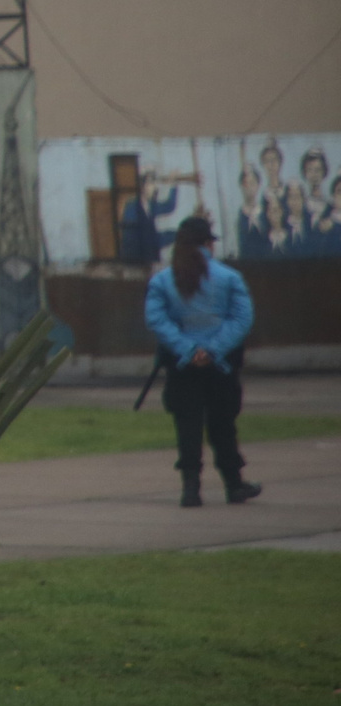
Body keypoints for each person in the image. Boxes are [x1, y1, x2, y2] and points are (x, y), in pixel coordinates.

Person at [145, 215, 261, 508]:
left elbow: (157, 320)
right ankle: (234, 484)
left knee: (187, 425)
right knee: (223, 424)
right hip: (222, 366)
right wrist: (213, 350)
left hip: (181, 366)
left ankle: (191, 489)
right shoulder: (230, 278)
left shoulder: (161, 281)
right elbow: (242, 319)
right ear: (209, 243)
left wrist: (188, 350)